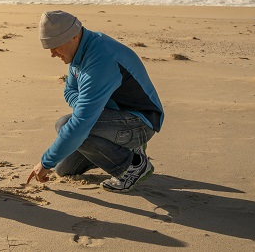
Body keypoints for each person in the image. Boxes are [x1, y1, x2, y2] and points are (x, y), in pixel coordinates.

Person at [26, 10, 164, 192]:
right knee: (64, 170)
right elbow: (69, 91)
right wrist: (88, 106)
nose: (52, 53)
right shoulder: (77, 54)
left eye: (56, 46)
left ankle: (132, 165)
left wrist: (45, 162)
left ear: (74, 36)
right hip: (113, 120)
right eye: (48, 47)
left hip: (140, 122)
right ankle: (124, 150)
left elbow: (81, 123)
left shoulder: (100, 60)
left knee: (65, 124)